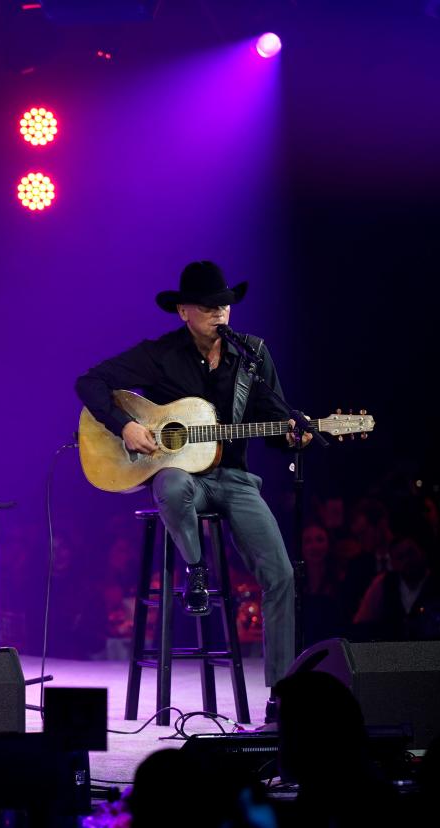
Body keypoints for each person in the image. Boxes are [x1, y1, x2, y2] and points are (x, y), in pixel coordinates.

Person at [75, 261, 309, 712]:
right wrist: (125, 425)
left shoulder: (252, 356)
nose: (220, 312)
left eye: (224, 304)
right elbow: (90, 382)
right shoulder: (159, 355)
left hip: (237, 481)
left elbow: (278, 425)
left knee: (280, 575)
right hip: (185, 483)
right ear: (184, 311)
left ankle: (283, 696)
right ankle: (195, 569)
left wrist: (293, 436)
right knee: (172, 481)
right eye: (208, 306)